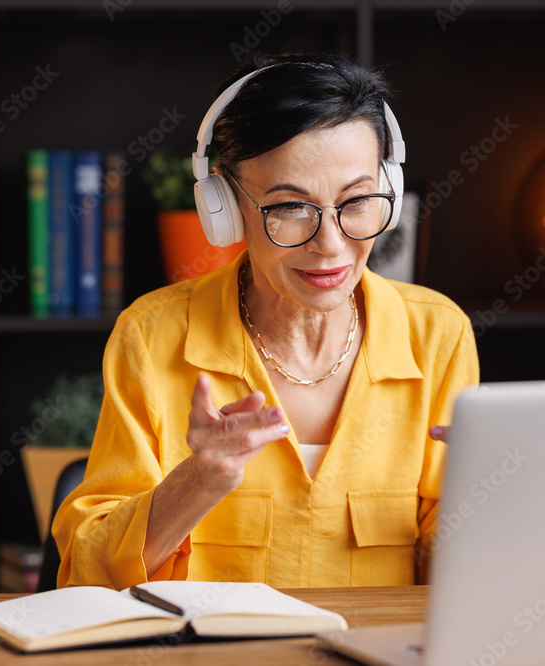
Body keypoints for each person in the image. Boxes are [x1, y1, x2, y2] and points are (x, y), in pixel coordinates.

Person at [53, 52, 479, 590]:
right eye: (289, 207)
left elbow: (463, 582)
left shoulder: (438, 336)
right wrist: (199, 480)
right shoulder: (153, 336)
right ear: (224, 206)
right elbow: (84, 575)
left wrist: (494, 501)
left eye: (358, 201)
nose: (331, 246)